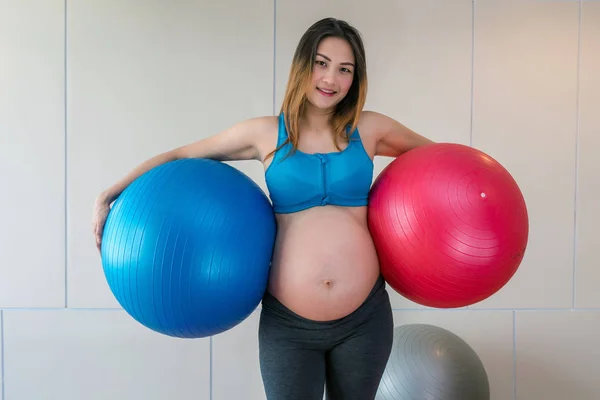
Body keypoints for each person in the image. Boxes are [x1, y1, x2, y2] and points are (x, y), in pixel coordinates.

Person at [92, 17, 433, 400]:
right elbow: (181, 155)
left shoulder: (370, 129)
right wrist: (111, 193)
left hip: (364, 319)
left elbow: (443, 163)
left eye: (344, 69)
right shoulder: (265, 133)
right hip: (289, 323)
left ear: (356, 78)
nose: (330, 79)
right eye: (321, 63)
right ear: (302, 65)